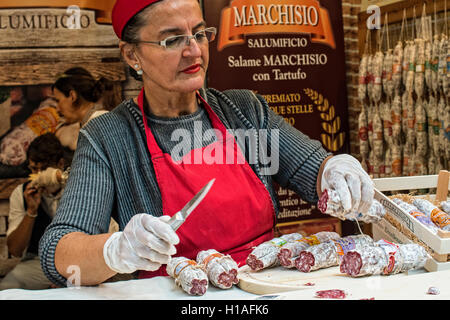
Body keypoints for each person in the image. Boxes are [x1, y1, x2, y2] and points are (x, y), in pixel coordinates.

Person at [39, 0, 374, 287]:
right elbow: (58, 251)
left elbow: (310, 168)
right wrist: (116, 250)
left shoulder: (245, 111)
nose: (194, 50)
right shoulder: (109, 138)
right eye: (172, 40)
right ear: (132, 55)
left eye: (199, 34)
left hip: (264, 287)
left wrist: (333, 169)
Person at [0, 133, 70, 290]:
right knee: (7, 289)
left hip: (76, 261)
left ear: (60, 164)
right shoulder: (21, 193)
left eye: (43, 169)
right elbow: (15, 250)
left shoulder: (75, 187)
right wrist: (31, 211)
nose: (37, 176)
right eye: (33, 169)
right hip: (39, 263)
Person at [53, 67, 118, 151]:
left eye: (58, 100)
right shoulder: (90, 123)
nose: (57, 109)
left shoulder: (101, 124)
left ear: (72, 96)